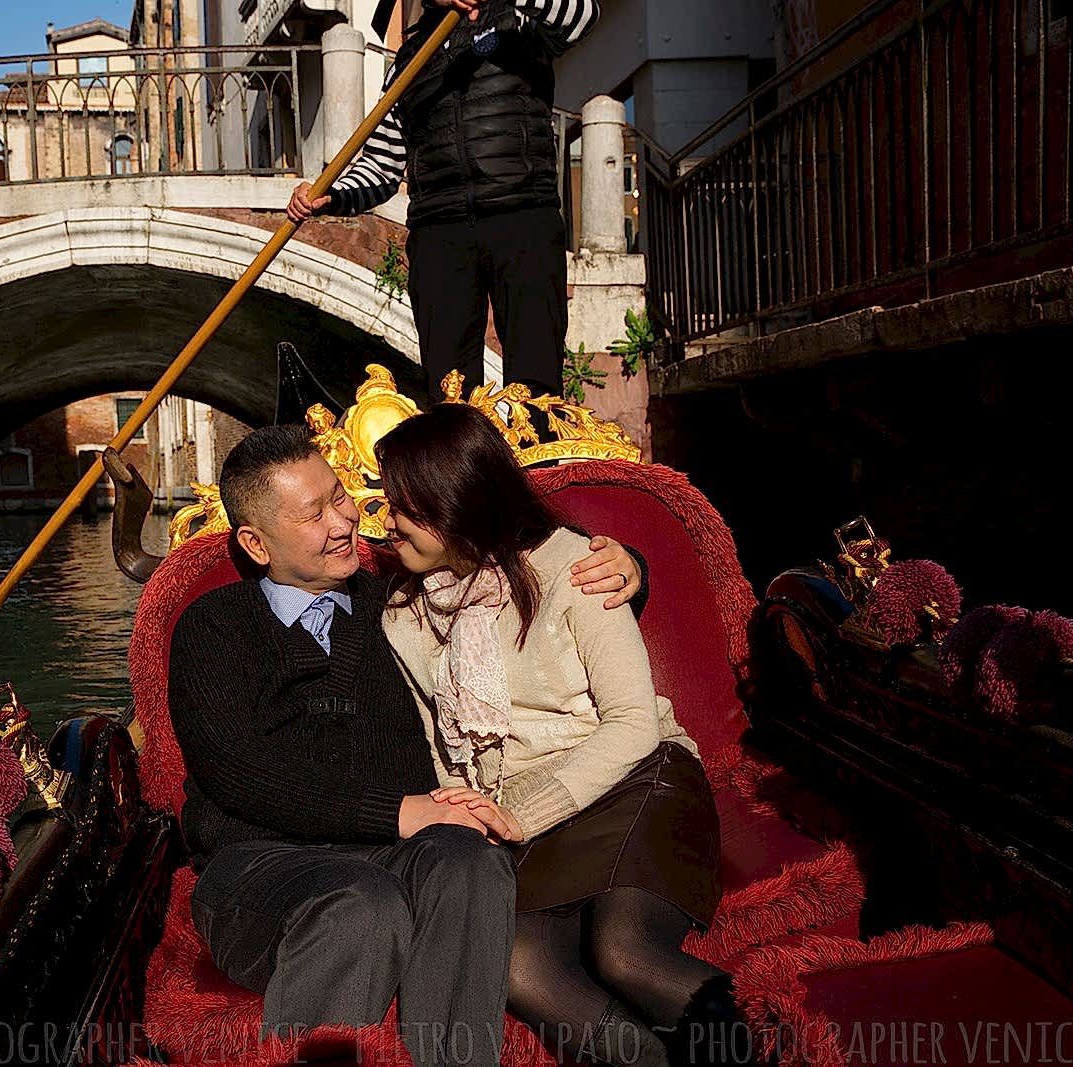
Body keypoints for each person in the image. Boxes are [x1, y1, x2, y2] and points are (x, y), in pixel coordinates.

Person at [166, 423, 644, 1067]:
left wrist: (630, 564)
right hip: (258, 868)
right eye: (314, 514)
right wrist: (399, 812)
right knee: (362, 905)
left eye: (341, 497)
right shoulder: (213, 626)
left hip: (392, 854)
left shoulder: (401, 601)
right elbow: (240, 773)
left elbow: (502, 553)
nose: (345, 522)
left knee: (471, 857)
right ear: (256, 543)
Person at [376, 405, 749, 1067]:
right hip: (526, 818)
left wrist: (523, 813)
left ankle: (761, 1050)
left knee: (625, 952)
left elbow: (633, 725)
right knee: (518, 963)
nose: (384, 520)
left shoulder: (577, 566)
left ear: (453, 504)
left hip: (638, 778)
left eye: (401, 506)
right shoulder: (403, 617)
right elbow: (445, 751)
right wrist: (475, 818)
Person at [287, 0, 598, 401]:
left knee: (537, 385)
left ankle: (541, 462)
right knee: (449, 395)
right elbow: (382, 167)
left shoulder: (518, 20)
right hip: (439, 232)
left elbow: (583, 17)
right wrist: (332, 194)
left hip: (522, 214)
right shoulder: (407, 63)